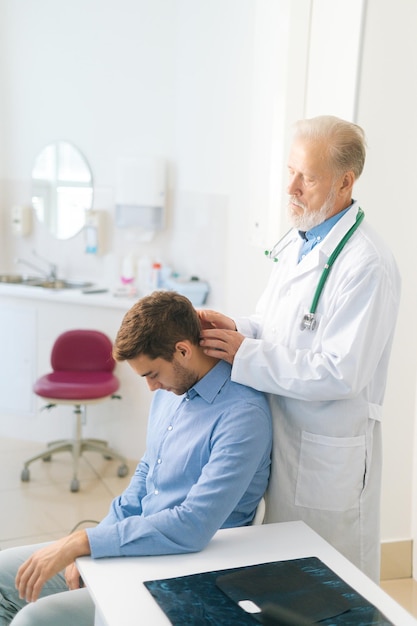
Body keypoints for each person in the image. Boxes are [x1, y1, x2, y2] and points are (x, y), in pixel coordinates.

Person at [199, 115, 401, 582]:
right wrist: (237, 328)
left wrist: (242, 353)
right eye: (290, 170)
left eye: (306, 177)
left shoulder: (367, 265)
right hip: (284, 436)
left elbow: (339, 372)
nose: (291, 187)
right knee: (279, 579)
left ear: (345, 182)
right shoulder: (300, 238)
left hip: (326, 454)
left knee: (326, 585)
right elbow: (281, 328)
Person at [0, 291, 272, 626]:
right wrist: (97, 541)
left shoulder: (242, 414)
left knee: (33, 620)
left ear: (183, 351)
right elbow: (146, 475)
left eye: (152, 374)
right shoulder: (172, 392)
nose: (150, 387)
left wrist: (83, 542)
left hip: (183, 566)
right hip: (137, 543)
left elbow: (193, 525)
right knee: (2, 576)